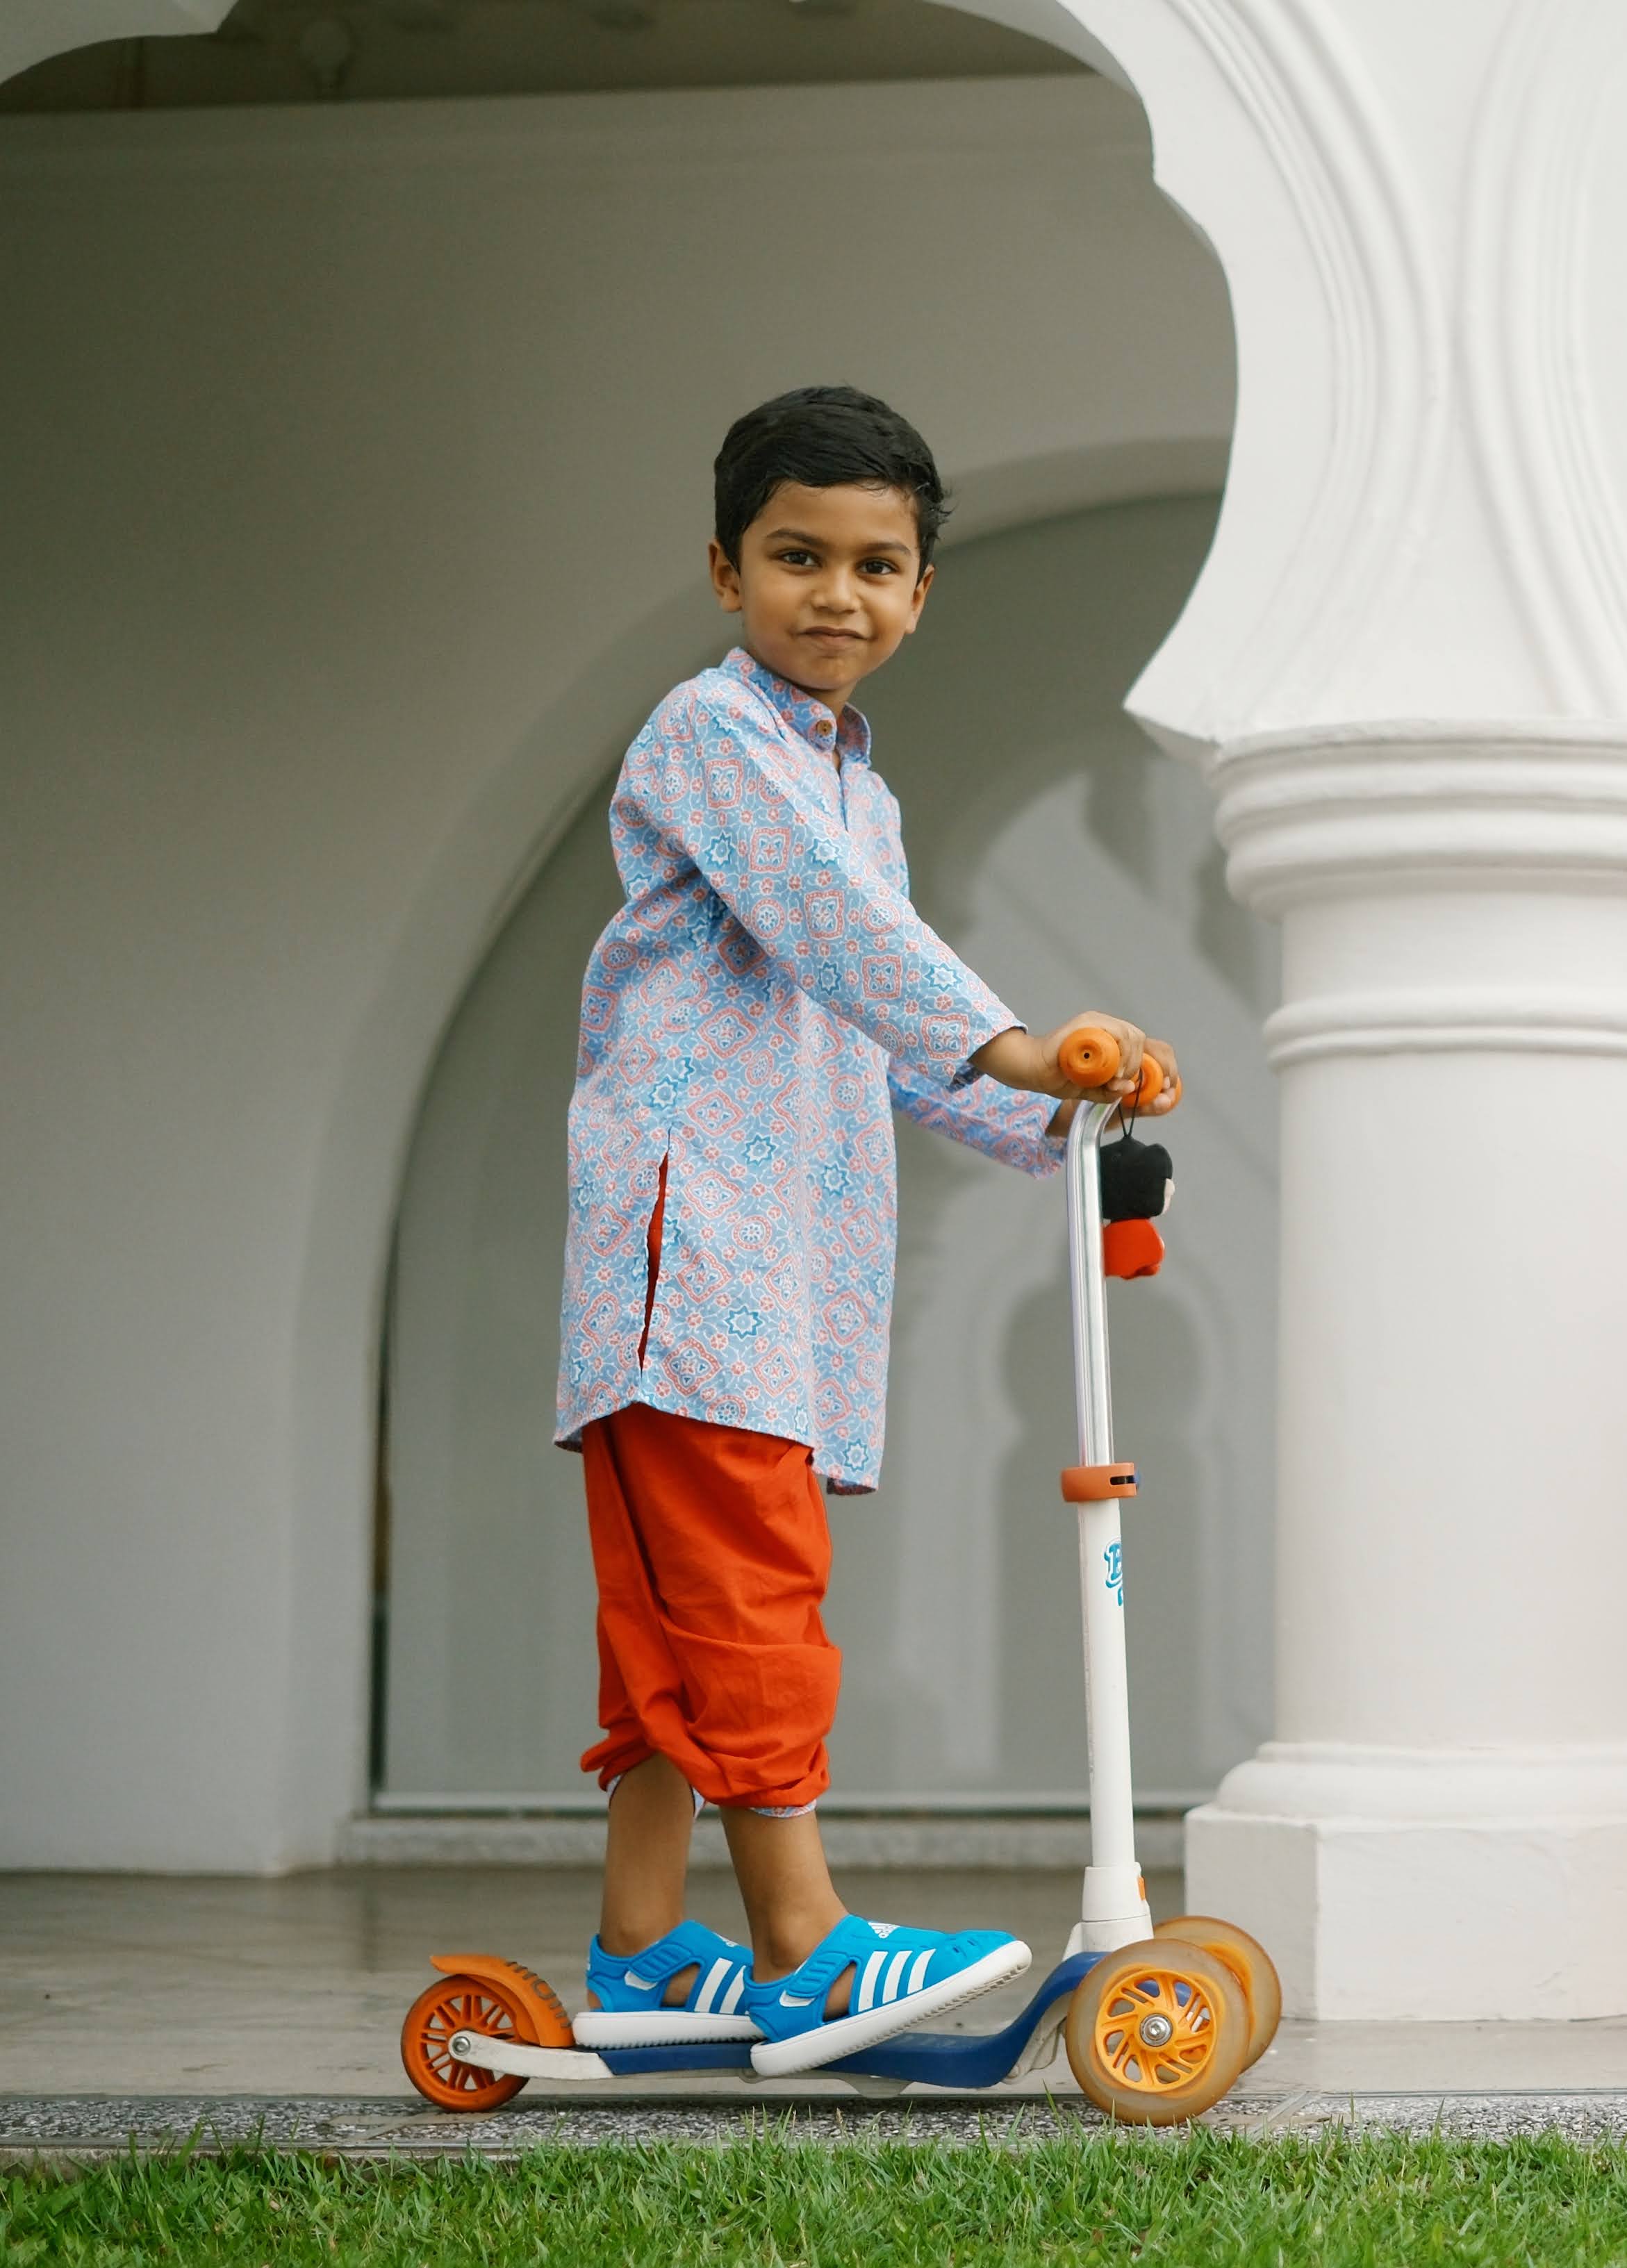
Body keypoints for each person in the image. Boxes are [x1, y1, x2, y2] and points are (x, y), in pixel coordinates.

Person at [550, 386, 1179, 2076]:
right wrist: (1020, 1038)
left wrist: (1067, 1116)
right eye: (796, 556)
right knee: (750, 1599)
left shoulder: (860, 794)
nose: (836, 593)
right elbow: (841, 942)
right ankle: (806, 1942)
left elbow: (883, 1028)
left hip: (778, 1277)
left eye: (877, 565)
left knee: (678, 1623)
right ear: (724, 568)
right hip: (697, 1262)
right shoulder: (712, 737)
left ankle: (635, 1952)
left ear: (918, 592)